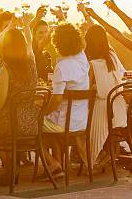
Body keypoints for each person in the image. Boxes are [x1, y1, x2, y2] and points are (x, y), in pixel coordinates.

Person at [40, 23, 90, 179]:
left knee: (33, 125)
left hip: (65, 123)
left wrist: (43, 113)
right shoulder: (83, 61)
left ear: (57, 43)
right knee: (50, 129)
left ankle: (54, 163)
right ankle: (60, 165)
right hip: (81, 121)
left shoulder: (62, 67)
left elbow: (56, 100)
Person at [0, 15, 39, 183]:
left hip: (13, 124)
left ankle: (10, 168)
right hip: (32, 123)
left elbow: (0, 102)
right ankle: (14, 166)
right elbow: (29, 42)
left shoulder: (6, 69)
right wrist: (26, 26)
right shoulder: (32, 63)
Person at [84, 25, 127, 165]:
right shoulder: (112, 56)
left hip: (102, 111)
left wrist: (96, 87)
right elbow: (121, 76)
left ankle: (93, 157)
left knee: (75, 118)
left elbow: (86, 89)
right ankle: (107, 153)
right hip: (118, 108)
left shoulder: (92, 64)